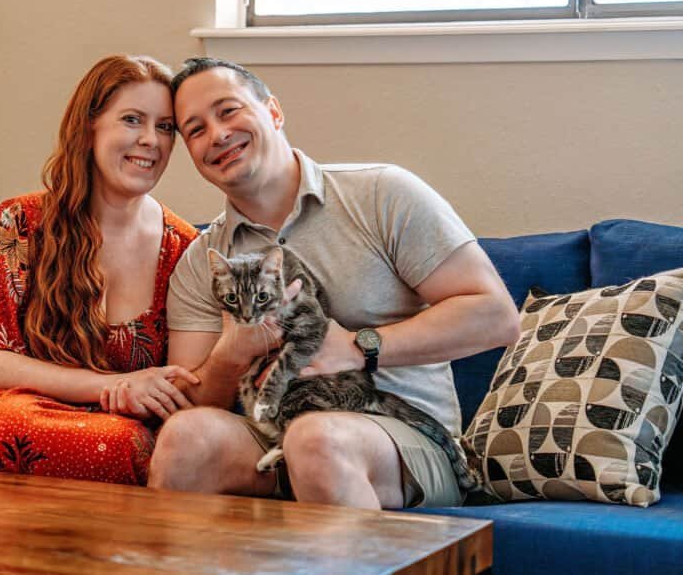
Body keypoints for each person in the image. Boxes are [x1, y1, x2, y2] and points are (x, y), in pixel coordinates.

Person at [147, 57, 521, 509]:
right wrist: (233, 351)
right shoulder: (204, 263)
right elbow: (191, 400)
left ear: (274, 111)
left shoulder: (383, 194)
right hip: (272, 440)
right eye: (196, 130)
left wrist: (357, 346)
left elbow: (496, 316)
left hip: (403, 436)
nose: (218, 134)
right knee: (186, 437)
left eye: (228, 111)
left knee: (316, 439)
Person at [0, 54, 199, 485]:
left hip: (124, 429)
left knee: (141, 443)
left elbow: (182, 384)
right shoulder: (21, 223)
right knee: (11, 428)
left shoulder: (186, 250)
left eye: (165, 127)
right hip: (15, 411)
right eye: (131, 119)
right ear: (89, 127)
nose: (151, 140)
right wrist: (110, 386)